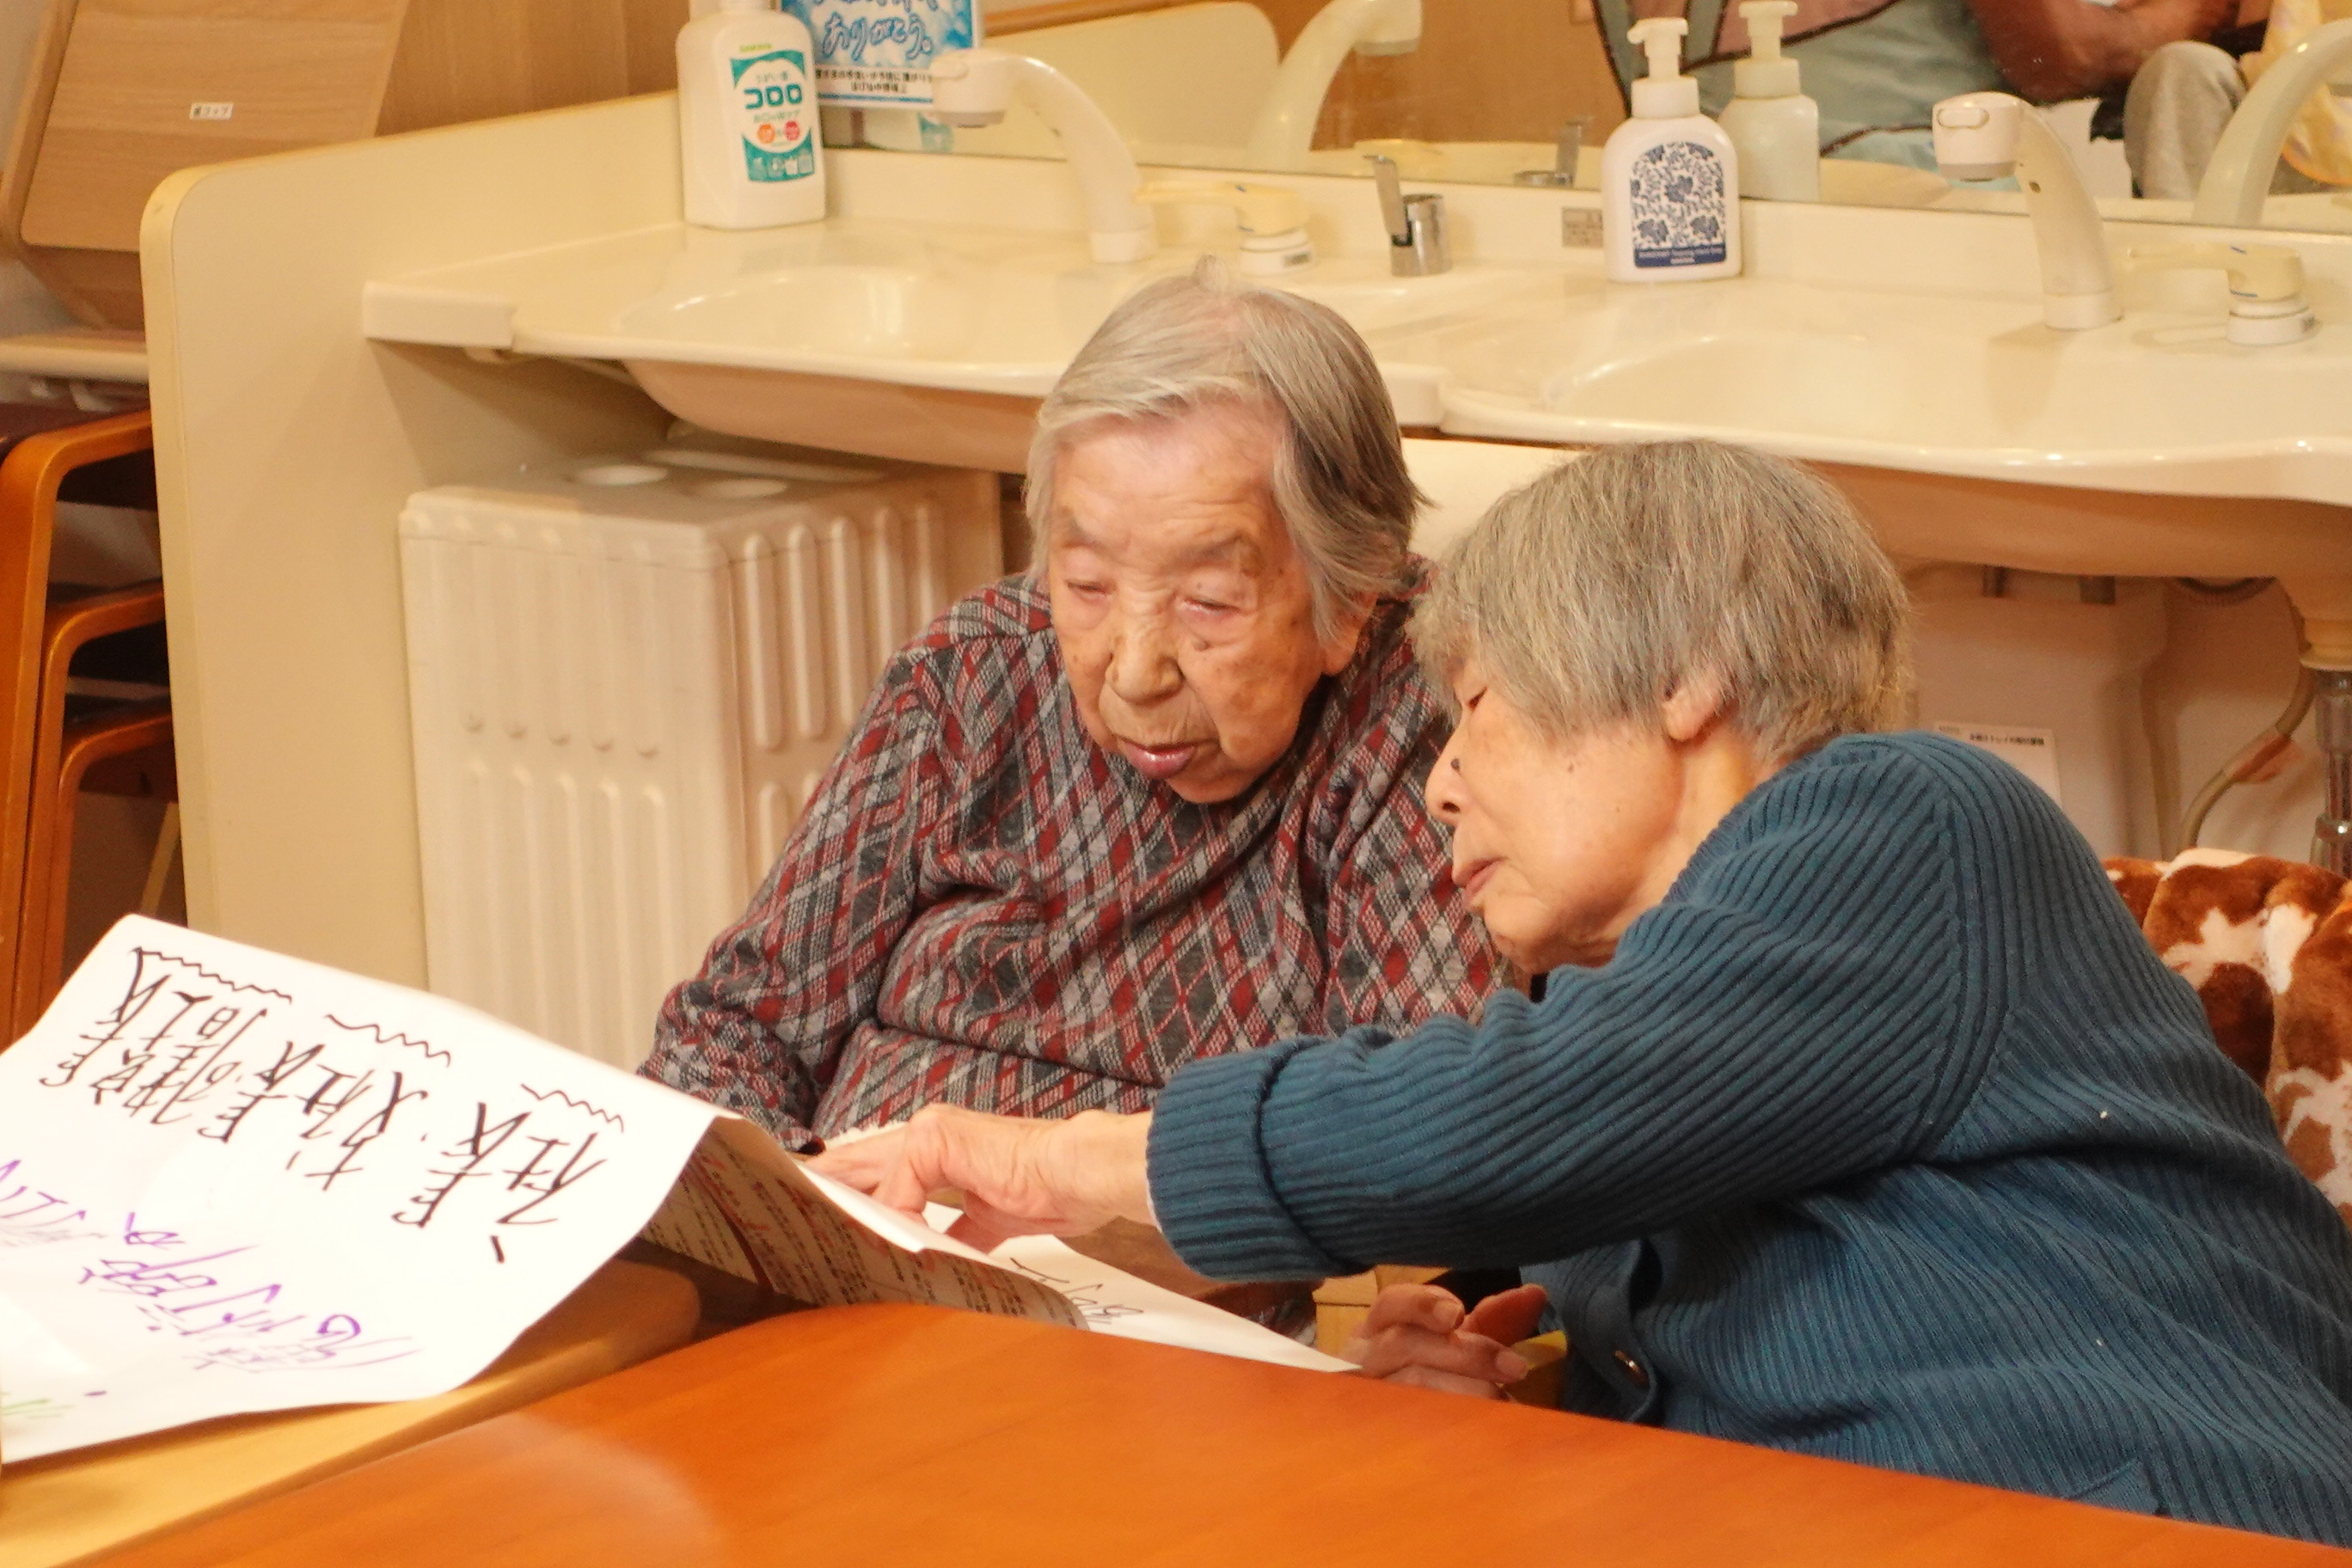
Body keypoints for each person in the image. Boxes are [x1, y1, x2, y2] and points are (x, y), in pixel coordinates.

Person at [818, 439, 2352, 1546]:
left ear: (1683, 676)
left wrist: (1052, 1161)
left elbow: (1523, 1110)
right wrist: (1499, 1410)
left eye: (1476, 707)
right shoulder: (1665, 1077)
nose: (1437, 784)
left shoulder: (1911, 817)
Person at [639, 261, 1498, 1150]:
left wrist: (1041, 1178)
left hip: (1158, 1233)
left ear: (1351, 598)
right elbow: (730, 1034)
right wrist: (794, 1200)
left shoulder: (1428, 716)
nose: (1134, 674)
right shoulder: (975, 675)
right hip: (860, 1204)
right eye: (1086, 584)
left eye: (1207, 602)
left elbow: (1402, 1132)